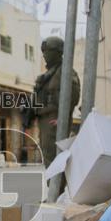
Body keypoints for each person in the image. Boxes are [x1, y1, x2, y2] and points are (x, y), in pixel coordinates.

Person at [31, 36, 80, 166]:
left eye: (47, 51)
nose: (44, 55)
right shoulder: (49, 74)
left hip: (55, 119)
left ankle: (56, 186)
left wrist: (62, 118)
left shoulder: (65, 71)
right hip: (45, 120)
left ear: (57, 52)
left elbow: (74, 95)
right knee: (48, 156)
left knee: (55, 158)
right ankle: (54, 186)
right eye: (43, 52)